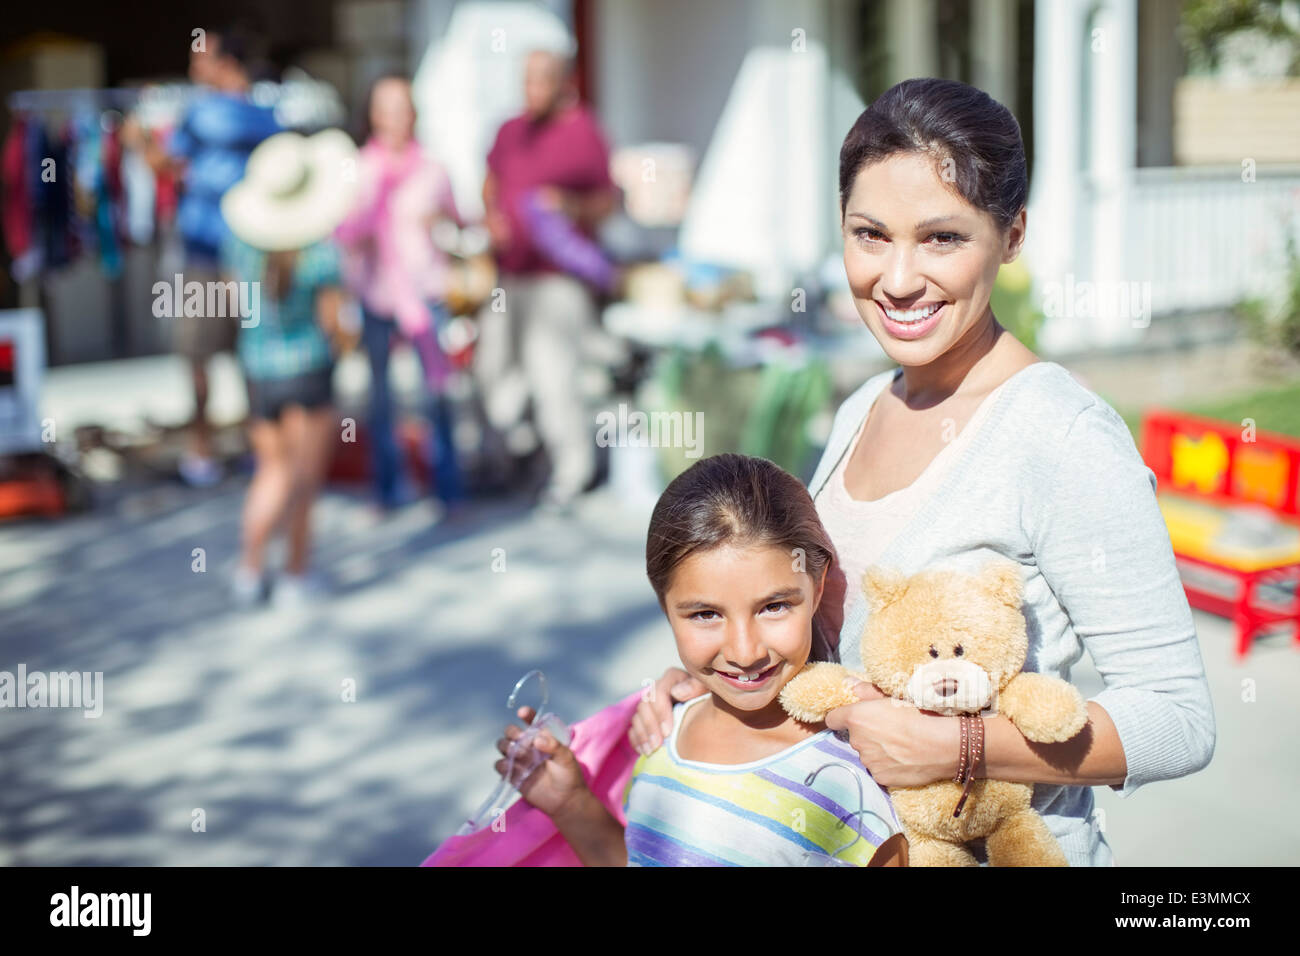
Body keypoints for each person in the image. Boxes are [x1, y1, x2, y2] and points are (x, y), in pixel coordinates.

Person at [629, 78, 1216, 867]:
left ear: (1011, 237)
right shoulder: (865, 405)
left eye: (941, 239)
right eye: (870, 235)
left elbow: (1179, 720)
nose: (897, 279)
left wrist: (962, 749)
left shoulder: (1063, 437)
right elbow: (844, 655)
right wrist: (729, 697)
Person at [493, 454, 906, 866]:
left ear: (816, 588)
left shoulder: (850, 778)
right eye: (706, 614)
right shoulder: (661, 735)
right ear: (665, 605)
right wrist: (571, 805)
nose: (745, 652)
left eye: (774, 606)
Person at [218, 129, 358, 607]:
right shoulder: (319, 252)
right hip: (308, 369)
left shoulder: (240, 247)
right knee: (302, 477)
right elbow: (333, 318)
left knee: (271, 472)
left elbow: (237, 305)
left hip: (257, 369)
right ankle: (295, 574)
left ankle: (250, 567)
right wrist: (347, 344)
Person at [476, 47, 620, 511]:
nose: (531, 88)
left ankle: (570, 473)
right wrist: (492, 216)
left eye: (541, 79)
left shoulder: (583, 132)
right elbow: (490, 182)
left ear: (562, 82)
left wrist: (571, 207)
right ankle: (505, 460)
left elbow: (609, 201)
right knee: (492, 371)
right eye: (526, 79)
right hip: (509, 274)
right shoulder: (509, 130)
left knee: (554, 376)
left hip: (558, 281)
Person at [141, 23, 281, 486]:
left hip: (213, 255)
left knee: (198, 356)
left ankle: (203, 450)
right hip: (245, 253)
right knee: (250, 357)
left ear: (227, 64)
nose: (192, 67)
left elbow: (164, 164)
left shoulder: (202, 115)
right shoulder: (267, 116)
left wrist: (139, 142)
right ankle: (256, 446)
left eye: (201, 58)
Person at [335, 74, 466, 513]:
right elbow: (339, 233)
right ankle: (387, 489)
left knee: (436, 395)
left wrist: (441, 228)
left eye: (402, 107)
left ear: (414, 113)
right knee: (380, 399)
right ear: (373, 114)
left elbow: (460, 224)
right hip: (375, 296)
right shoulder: (358, 168)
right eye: (385, 107)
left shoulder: (433, 168)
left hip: (426, 295)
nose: (395, 117)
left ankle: (448, 491)